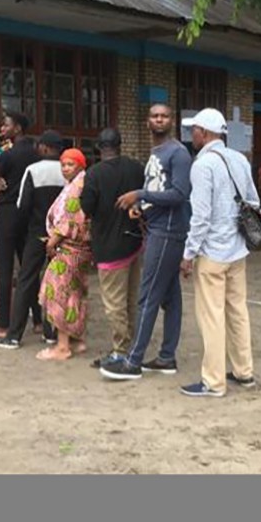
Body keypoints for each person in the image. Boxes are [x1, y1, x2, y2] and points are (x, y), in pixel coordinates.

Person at [100, 103, 192, 381]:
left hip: (168, 231)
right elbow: (158, 190)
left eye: (164, 115)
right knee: (170, 296)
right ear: (147, 121)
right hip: (155, 227)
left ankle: (133, 361)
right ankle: (166, 357)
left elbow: (179, 193)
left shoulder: (178, 153)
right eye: (155, 116)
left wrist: (139, 193)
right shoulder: (156, 152)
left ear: (171, 121)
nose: (159, 120)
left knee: (147, 295)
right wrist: (142, 204)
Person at [176, 109, 259, 398]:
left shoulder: (203, 165)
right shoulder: (240, 160)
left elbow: (200, 217)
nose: (191, 134)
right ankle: (243, 371)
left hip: (212, 253)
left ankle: (213, 382)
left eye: (194, 129)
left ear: (206, 133)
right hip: (238, 250)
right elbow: (253, 201)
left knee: (212, 317)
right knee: (238, 312)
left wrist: (188, 254)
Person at [0, 130, 66, 348]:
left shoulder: (33, 170)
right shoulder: (69, 170)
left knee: (26, 280)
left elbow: (22, 205)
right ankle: (52, 333)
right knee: (56, 282)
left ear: (43, 147)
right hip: (60, 237)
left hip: (36, 233)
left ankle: (14, 335)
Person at [79, 128, 146, 367]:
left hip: (108, 245)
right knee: (131, 297)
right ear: (121, 144)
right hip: (134, 242)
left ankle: (120, 350)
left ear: (99, 147)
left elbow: (86, 207)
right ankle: (133, 344)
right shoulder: (136, 168)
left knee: (114, 302)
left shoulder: (94, 174)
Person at [36, 148, 94, 361]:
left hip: (69, 247)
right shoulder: (75, 184)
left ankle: (62, 347)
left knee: (60, 293)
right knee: (75, 293)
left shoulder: (77, 186)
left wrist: (52, 241)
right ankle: (77, 341)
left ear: (80, 165)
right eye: (63, 165)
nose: (66, 168)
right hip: (79, 249)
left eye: (71, 164)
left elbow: (70, 218)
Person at [0, 112, 40, 338]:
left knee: (5, 268)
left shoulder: (8, 155)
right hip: (30, 214)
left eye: (5, 124)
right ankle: (38, 321)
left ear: (17, 129)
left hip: (8, 213)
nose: (2, 127)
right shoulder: (37, 153)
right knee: (29, 269)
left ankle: (3, 325)